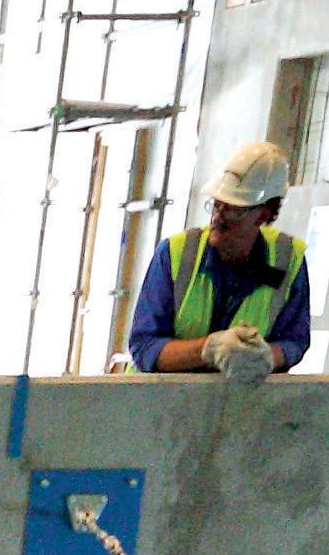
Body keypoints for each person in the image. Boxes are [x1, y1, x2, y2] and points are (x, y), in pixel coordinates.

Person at [129, 143, 313, 379]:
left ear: (264, 214)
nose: (218, 218)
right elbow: (144, 347)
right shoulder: (176, 254)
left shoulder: (287, 261)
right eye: (216, 205)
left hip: (239, 405)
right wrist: (209, 349)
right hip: (163, 404)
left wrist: (266, 356)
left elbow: (294, 341)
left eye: (233, 210)